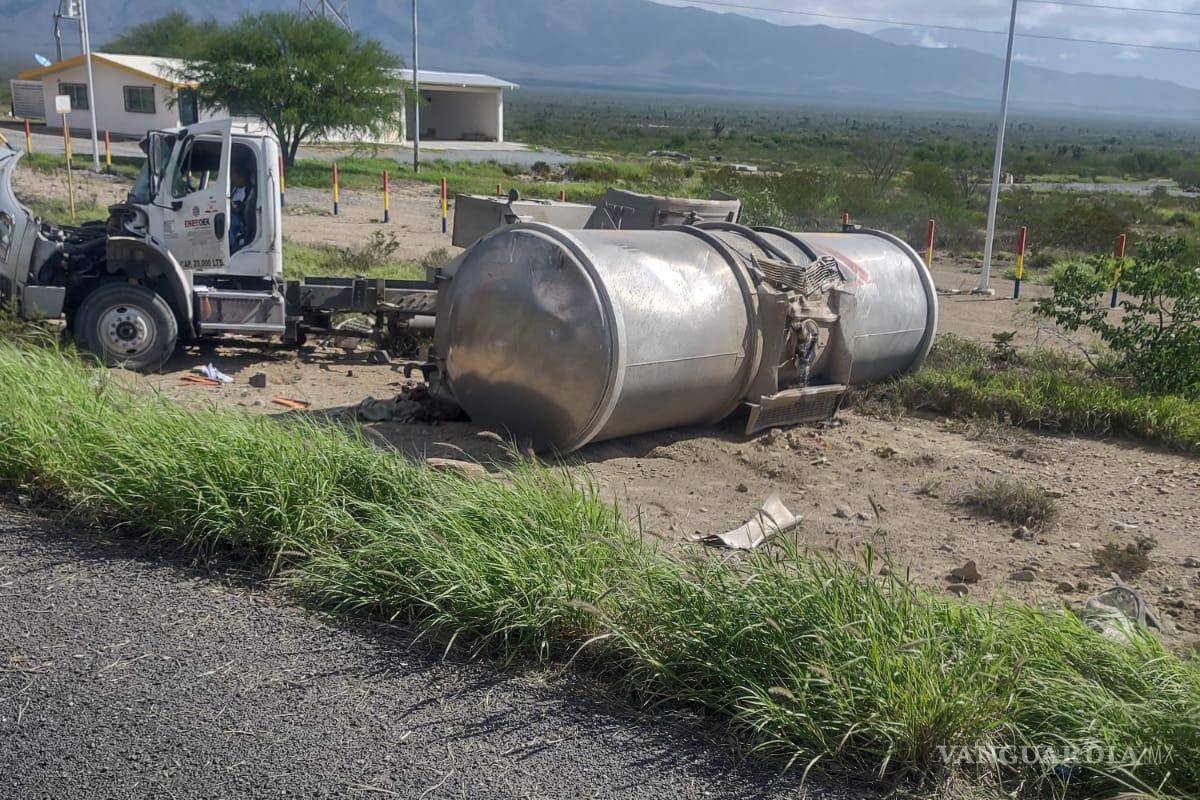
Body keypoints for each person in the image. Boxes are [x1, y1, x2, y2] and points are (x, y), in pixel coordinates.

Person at [229, 155, 256, 253]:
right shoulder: (234, 188)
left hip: (239, 227)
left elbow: (243, 211)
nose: (230, 178)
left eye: (232, 174)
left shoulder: (250, 192)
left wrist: (235, 207)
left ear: (240, 175)